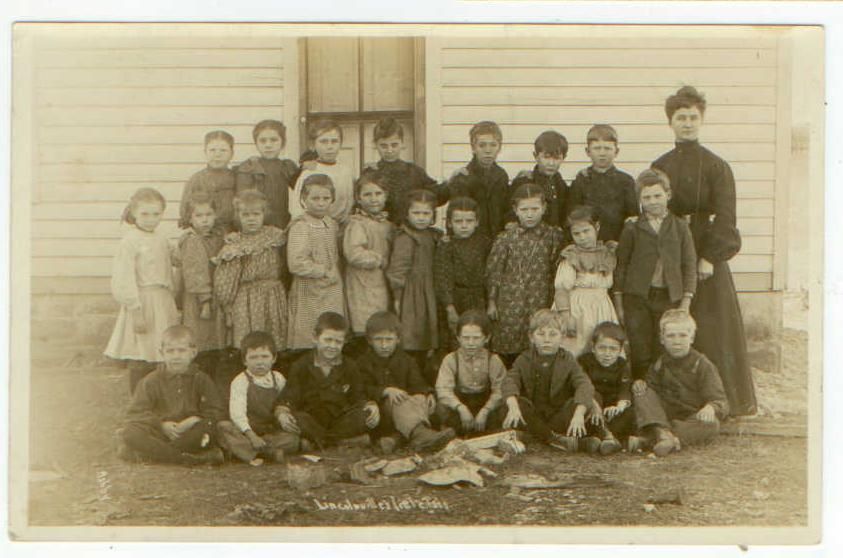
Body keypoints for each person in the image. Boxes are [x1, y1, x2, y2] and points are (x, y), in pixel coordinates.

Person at [652, 85, 756, 416]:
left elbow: (726, 218)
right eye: (680, 117)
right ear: (671, 122)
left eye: (693, 117)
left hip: (706, 254)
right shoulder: (660, 165)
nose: (687, 123)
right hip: (671, 253)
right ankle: (676, 403)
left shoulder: (716, 166)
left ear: (702, 120)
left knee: (714, 328)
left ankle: (726, 403)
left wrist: (710, 256)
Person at [613, 169, 697, 380]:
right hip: (637, 298)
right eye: (646, 197)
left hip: (669, 298)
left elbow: (689, 265)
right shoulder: (632, 228)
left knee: (665, 350)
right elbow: (621, 265)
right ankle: (642, 396)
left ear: (668, 195)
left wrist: (685, 302)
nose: (652, 201)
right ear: (639, 200)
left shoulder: (680, 227)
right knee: (640, 351)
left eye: (657, 196)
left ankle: (664, 396)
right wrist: (620, 303)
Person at [104, 187, 179, 394]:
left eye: (156, 214)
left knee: (162, 352)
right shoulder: (130, 241)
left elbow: (177, 259)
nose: (150, 219)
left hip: (163, 300)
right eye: (145, 214)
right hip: (142, 302)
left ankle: (160, 400)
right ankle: (139, 403)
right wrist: (135, 311)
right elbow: (124, 277)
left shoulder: (162, 238)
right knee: (142, 353)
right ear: (134, 213)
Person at [213, 190, 288, 394]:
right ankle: (245, 389)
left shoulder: (275, 236)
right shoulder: (235, 244)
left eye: (256, 214)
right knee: (249, 343)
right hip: (247, 298)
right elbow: (226, 279)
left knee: (273, 341)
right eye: (246, 215)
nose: (251, 219)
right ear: (238, 216)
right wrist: (227, 305)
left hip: (273, 295)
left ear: (264, 214)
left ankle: (274, 387)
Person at [119, 325, 226, 465]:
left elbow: (215, 410)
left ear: (193, 352)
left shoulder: (201, 379)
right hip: (160, 433)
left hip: (190, 433)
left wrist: (195, 419)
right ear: (162, 353)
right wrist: (161, 424)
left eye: (181, 350)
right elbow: (136, 413)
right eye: (170, 351)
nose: (176, 356)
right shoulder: (151, 381)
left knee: (210, 427)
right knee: (130, 432)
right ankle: (185, 458)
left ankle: (153, 454)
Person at [500, 310, 601, 453]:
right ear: (531, 337)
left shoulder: (568, 359)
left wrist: (578, 414)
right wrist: (513, 407)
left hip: (558, 416)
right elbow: (510, 380)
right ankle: (556, 439)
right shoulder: (524, 358)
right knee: (510, 404)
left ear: (563, 337)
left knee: (589, 399)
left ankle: (534, 437)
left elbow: (583, 383)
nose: (547, 340)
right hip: (533, 416)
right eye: (541, 334)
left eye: (553, 334)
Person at [486, 183, 566, 366]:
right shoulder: (505, 237)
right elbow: (494, 271)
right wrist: (492, 301)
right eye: (524, 209)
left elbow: (557, 270)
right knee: (508, 343)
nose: (530, 214)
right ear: (515, 209)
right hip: (509, 301)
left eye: (535, 209)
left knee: (538, 339)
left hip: (539, 297)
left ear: (544, 208)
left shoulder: (553, 236)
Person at [276, 312, 380, 449]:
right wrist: (282, 413)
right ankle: (341, 443)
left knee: (365, 415)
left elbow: (358, 396)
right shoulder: (301, 365)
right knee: (297, 418)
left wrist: (371, 405)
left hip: (340, 421)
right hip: (312, 419)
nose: (332, 346)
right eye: (328, 340)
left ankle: (319, 443)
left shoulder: (350, 366)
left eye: (338, 342)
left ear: (344, 342)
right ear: (315, 338)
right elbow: (290, 396)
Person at [632, 310, 729, 456]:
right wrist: (641, 384)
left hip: (690, 417)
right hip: (663, 416)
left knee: (711, 425)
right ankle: (663, 435)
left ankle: (652, 439)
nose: (677, 341)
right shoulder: (660, 363)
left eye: (683, 335)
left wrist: (711, 407)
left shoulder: (702, 364)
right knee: (641, 391)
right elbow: (651, 393)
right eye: (670, 336)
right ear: (662, 339)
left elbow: (720, 400)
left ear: (692, 337)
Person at [356, 311, 456, 454]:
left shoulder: (406, 360)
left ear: (398, 339)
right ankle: (421, 435)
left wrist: (427, 394)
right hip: (382, 414)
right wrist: (385, 391)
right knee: (400, 401)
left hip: (407, 413)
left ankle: (398, 439)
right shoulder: (363, 363)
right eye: (379, 340)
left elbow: (418, 384)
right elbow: (361, 389)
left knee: (422, 399)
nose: (384, 345)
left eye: (389, 340)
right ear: (369, 340)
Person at [217, 331, 301, 465]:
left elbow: (286, 403)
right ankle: (268, 452)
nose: (260, 362)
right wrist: (251, 435)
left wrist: (284, 418)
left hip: (271, 430)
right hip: (247, 430)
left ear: (274, 358)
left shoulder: (278, 378)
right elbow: (237, 414)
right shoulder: (240, 381)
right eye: (253, 357)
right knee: (223, 427)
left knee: (292, 438)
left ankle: (259, 451)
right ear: (244, 360)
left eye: (264, 356)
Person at [385, 189, 440, 382]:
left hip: (429, 291)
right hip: (411, 294)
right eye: (416, 213)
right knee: (413, 335)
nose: (421, 218)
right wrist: (398, 298)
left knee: (428, 336)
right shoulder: (405, 238)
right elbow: (397, 271)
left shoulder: (434, 236)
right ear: (407, 214)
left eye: (426, 214)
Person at [286, 174, 346, 352]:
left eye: (326, 198)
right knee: (310, 332)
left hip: (332, 289)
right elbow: (296, 263)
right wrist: (323, 271)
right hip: (309, 289)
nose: (321, 203)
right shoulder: (301, 226)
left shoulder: (331, 223)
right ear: (304, 199)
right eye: (315, 198)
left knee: (331, 330)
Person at [553, 205, 620, 357]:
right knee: (576, 347)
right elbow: (561, 289)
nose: (582, 237)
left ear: (597, 227)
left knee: (601, 346)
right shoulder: (572, 256)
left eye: (586, 231)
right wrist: (566, 316)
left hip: (602, 307)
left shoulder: (606, 253)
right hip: (577, 309)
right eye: (576, 234)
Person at [343, 172, 394, 354]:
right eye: (367, 194)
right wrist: (379, 260)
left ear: (386, 195)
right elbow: (354, 254)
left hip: (382, 282)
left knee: (382, 323)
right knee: (365, 325)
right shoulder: (357, 224)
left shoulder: (387, 224)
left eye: (378, 194)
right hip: (363, 283)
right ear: (358, 198)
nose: (373, 199)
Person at [177, 191, 226, 382]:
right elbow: (195, 273)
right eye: (199, 216)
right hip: (199, 299)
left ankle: (208, 386)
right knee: (201, 342)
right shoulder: (193, 240)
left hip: (214, 295)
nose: (204, 220)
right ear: (190, 218)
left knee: (212, 342)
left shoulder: (215, 237)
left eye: (208, 215)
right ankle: (198, 384)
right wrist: (205, 300)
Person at [434, 310, 507, 436]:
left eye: (476, 338)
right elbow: (443, 389)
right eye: (466, 338)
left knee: (504, 409)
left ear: (487, 338)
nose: (471, 343)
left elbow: (500, 389)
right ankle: (454, 433)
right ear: (458, 338)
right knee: (440, 408)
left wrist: (486, 410)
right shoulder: (451, 359)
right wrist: (460, 408)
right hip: (461, 404)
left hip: (484, 405)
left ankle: (489, 432)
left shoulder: (493, 360)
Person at [433, 196, 491, 351]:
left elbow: (491, 273)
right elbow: (442, 277)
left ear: (477, 222)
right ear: (450, 222)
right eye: (458, 222)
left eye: (469, 221)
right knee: (456, 339)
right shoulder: (446, 245)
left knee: (479, 335)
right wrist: (449, 307)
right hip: (455, 299)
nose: (464, 226)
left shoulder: (484, 243)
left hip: (479, 298)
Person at [364, 117, 445, 225]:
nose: (389, 150)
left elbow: (436, 196)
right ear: (375, 145)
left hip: (408, 232)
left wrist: (452, 182)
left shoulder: (414, 172)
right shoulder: (371, 173)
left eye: (394, 145)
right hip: (380, 230)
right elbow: (360, 204)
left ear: (402, 143)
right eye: (384, 146)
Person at [568, 124, 638, 243]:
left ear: (616, 151)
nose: (602, 153)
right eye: (597, 148)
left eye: (607, 148)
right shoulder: (581, 180)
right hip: (587, 246)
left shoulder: (626, 181)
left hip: (617, 243)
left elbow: (633, 217)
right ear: (588, 151)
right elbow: (573, 218)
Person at [445, 121, 510, 238]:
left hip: (497, 239)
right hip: (472, 241)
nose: (488, 150)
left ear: (499, 147)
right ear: (473, 148)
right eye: (482, 145)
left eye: (493, 145)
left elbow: (506, 207)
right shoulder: (463, 178)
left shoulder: (501, 175)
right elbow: (455, 214)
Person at [577, 322, 635, 453]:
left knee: (630, 413)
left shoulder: (622, 365)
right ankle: (606, 437)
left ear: (620, 350)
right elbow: (583, 386)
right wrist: (593, 405)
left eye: (613, 349)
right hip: (592, 407)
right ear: (593, 347)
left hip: (611, 410)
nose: (607, 354)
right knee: (592, 395)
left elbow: (625, 389)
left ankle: (605, 439)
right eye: (602, 348)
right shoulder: (584, 362)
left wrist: (618, 407)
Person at [235, 119, 301, 229]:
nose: (268, 145)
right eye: (263, 141)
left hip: (281, 222)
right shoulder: (249, 167)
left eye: (274, 140)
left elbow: (302, 187)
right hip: (255, 224)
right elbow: (241, 199)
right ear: (256, 143)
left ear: (283, 142)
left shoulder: (287, 166)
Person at [291, 119, 355, 227]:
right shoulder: (309, 171)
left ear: (341, 144)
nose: (329, 146)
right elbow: (297, 206)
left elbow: (349, 202)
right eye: (324, 142)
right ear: (313, 145)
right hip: (313, 227)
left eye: (334, 141)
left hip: (340, 227)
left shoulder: (346, 171)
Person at [180, 130, 237, 232]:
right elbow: (185, 211)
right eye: (212, 150)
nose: (217, 155)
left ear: (232, 154)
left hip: (231, 233)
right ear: (205, 152)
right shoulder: (196, 179)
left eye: (223, 150)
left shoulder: (237, 178)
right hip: (203, 234)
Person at [509, 130, 569, 228]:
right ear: (536, 156)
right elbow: (511, 215)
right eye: (546, 157)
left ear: (564, 158)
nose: (551, 163)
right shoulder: (524, 181)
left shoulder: (560, 185)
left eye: (556, 158)